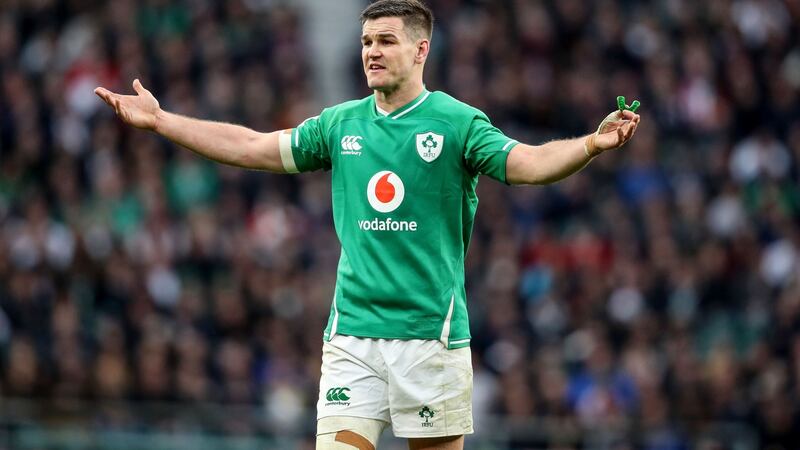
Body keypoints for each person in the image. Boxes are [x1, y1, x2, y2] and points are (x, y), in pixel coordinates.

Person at [94, 0, 640, 448]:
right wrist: (162, 121)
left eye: (386, 41)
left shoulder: (456, 122)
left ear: (421, 49)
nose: (372, 53)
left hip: (431, 337)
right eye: (365, 43)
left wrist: (591, 144)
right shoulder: (340, 123)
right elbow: (253, 146)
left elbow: (526, 165)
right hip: (353, 336)